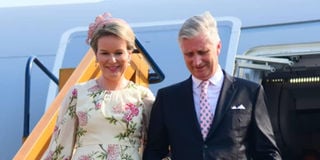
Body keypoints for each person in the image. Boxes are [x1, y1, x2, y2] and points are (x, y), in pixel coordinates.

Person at [143, 11, 281, 160]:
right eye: (189, 54)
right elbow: (154, 152)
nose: (197, 61)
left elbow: (267, 152)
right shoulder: (168, 98)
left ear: (218, 47)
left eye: (203, 52)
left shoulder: (250, 93)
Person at [42, 12, 155, 160]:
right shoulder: (77, 93)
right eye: (105, 53)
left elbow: (155, 147)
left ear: (129, 54)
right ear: (96, 55)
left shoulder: (143, 96)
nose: (112, 60)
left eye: (118, 53)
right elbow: (60, 146)